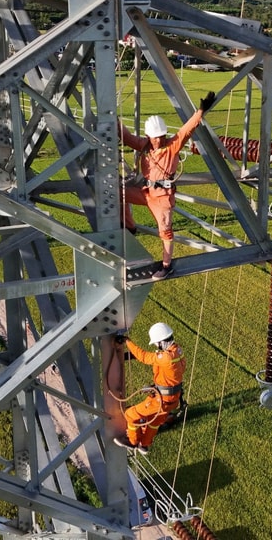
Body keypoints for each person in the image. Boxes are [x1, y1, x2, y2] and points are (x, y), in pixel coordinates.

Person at [119, 91, 215, 280]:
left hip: (162, 197)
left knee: (165, 231)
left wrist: (201, 111)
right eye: (155, 137)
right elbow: (126, 137)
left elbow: (186, 130)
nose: (159, 140)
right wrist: (111, 118)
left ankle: (166, 266)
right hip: (146, 192)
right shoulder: (144, 145)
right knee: (117, 194)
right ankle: (129, 227)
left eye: (161, 136)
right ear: (148, 136)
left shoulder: (172, 146)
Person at [113, 322, 186, 455]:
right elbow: (159, 363)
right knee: (155, 421)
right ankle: (145, 444)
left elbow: (145, 357)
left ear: (161, 341)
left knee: (131, 414)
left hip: (161, 400)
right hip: (172, 399)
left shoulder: (166, 357)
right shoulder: (177, 351)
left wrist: (126, 341)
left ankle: (133, 441)